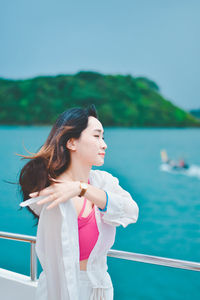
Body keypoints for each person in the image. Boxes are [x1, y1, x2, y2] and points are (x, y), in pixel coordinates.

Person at [18, 104, 139, 300]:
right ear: (72, 143)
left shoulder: (102, 181)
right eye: (96, 136)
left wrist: (82, 189)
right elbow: (60, 270)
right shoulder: (54, 194)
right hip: (63, 290)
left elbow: (131, 212)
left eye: (103, 137)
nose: (104, 144)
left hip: (100, 289)